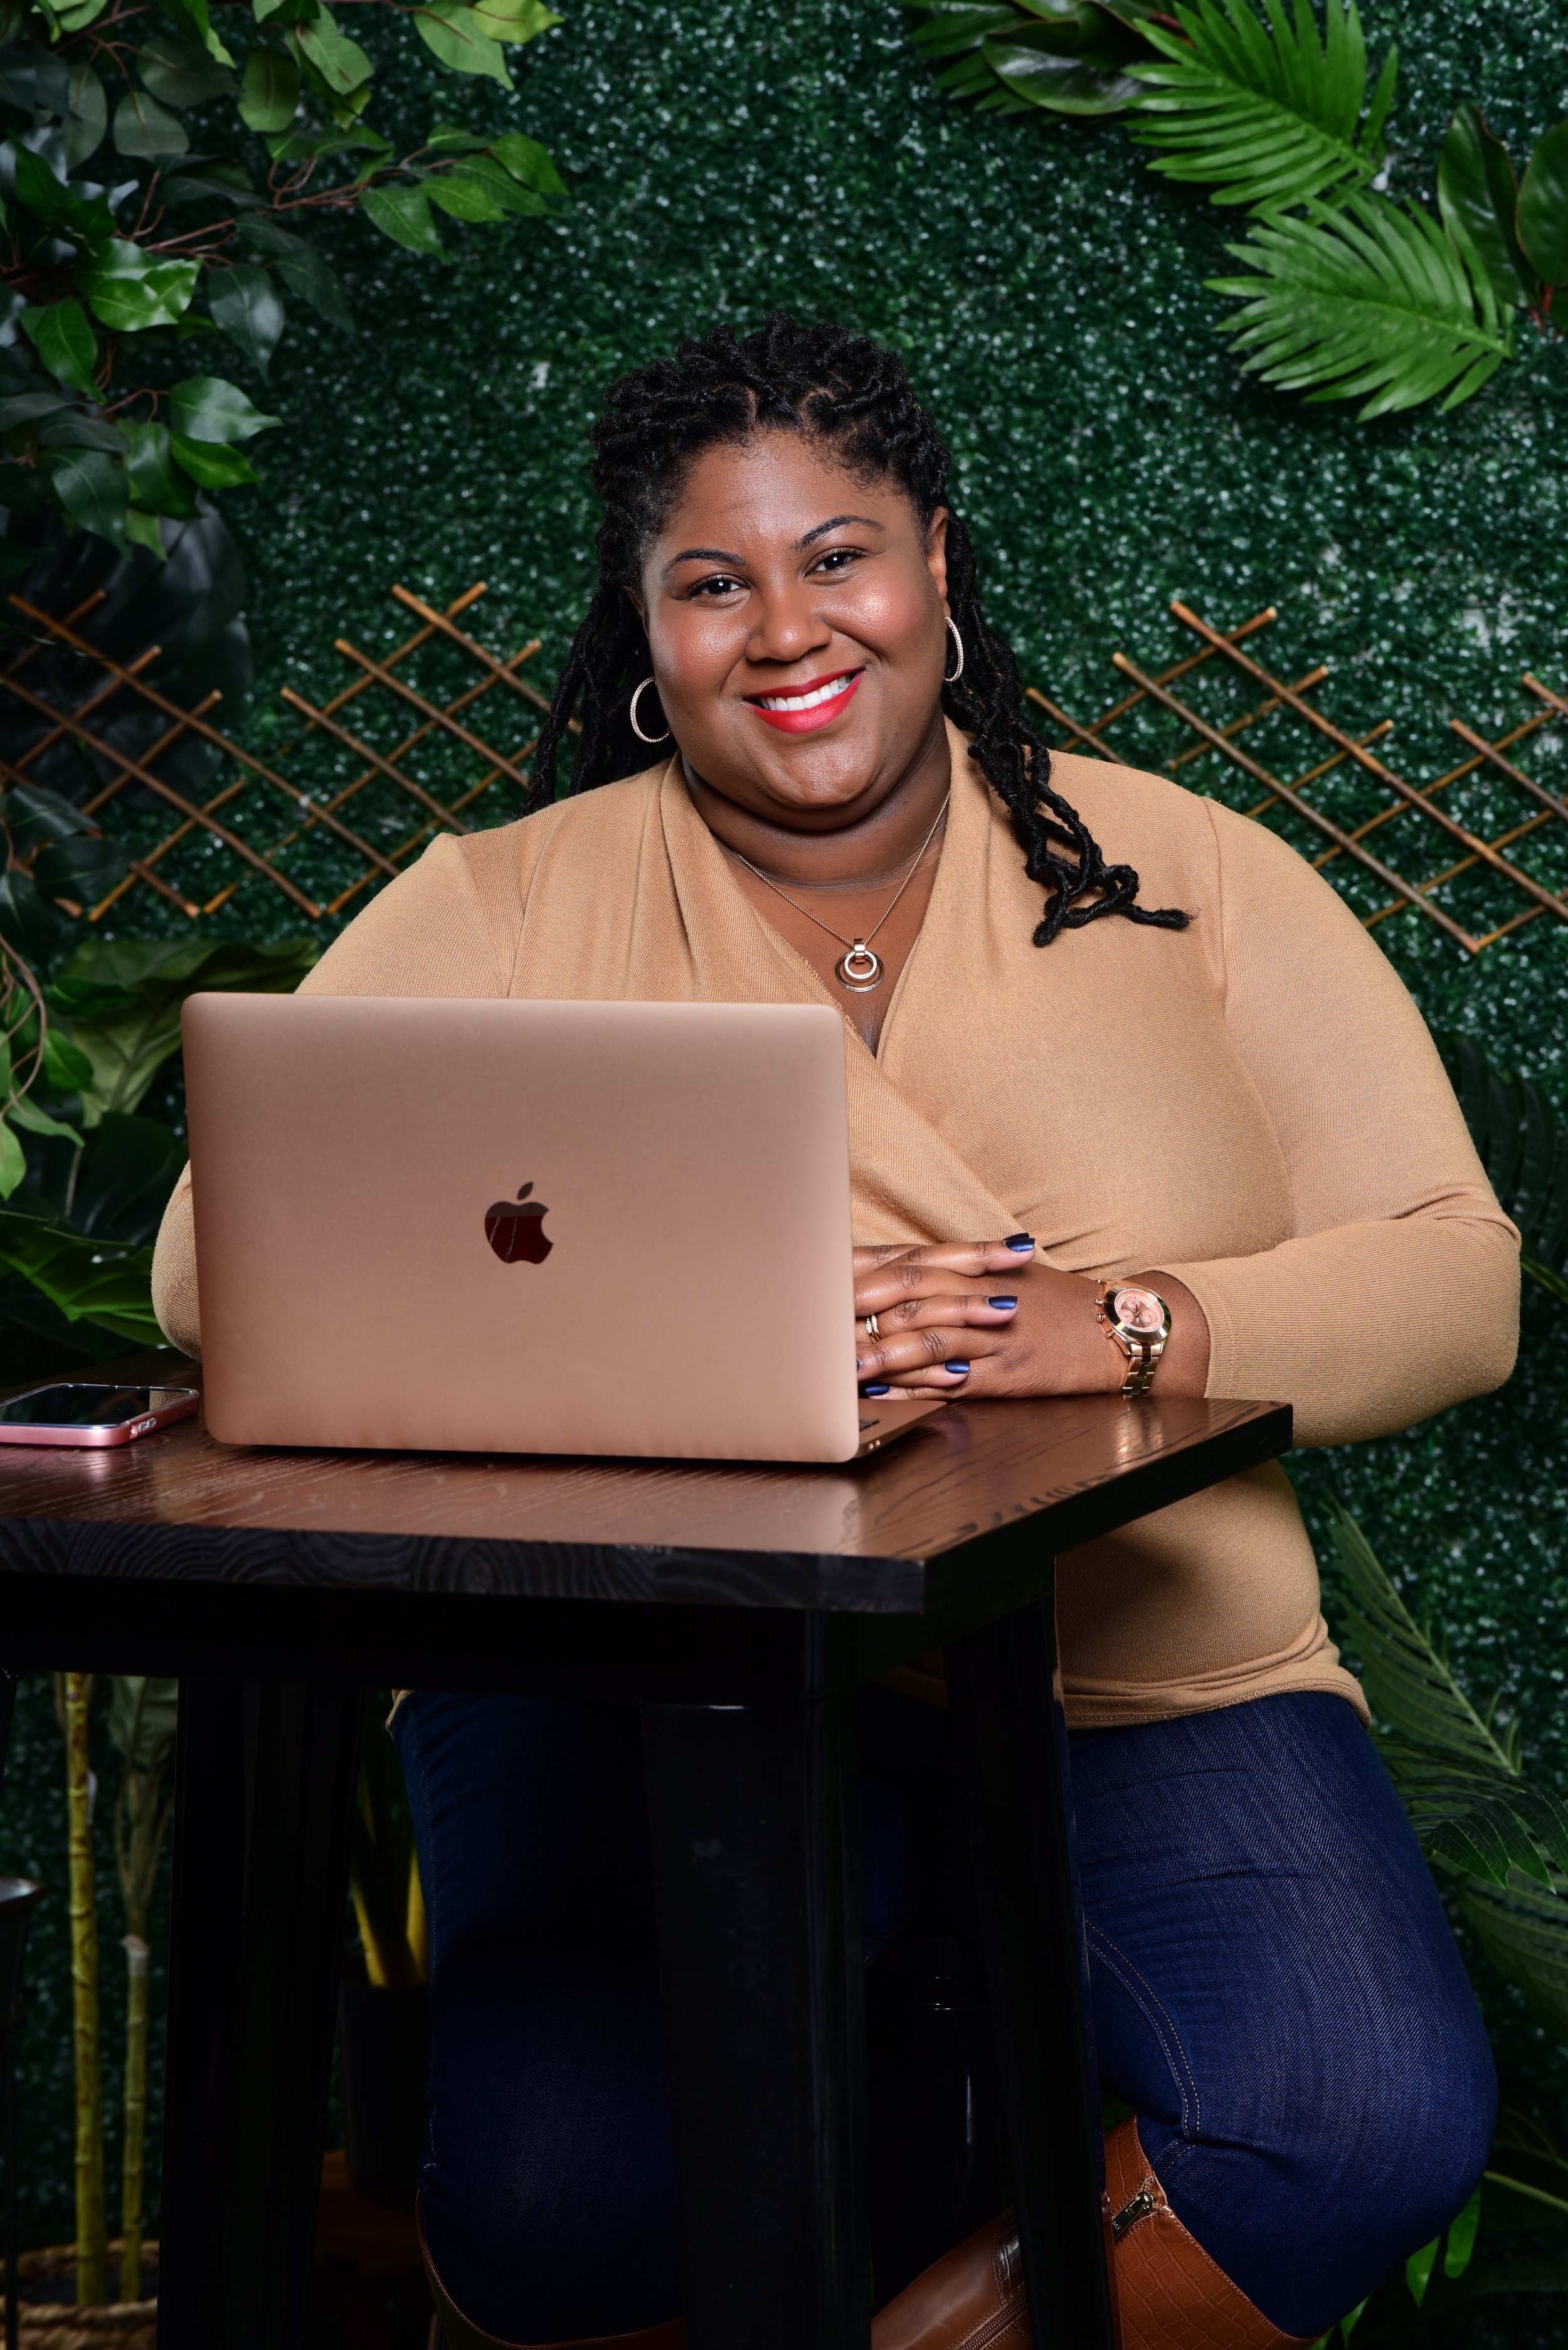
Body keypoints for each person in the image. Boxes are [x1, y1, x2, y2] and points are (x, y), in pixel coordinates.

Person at [152, 314, 1519, 2350]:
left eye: (836, 557)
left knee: (1354, 2117)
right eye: (713, 581)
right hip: (643, 1673)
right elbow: (217, 1263)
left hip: (1134, 1668)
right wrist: (705, 1325)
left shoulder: (1189, 870)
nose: (784, 627)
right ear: (645, 623)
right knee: (564, 2198)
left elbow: (1457, 1273)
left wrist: (1117, 1322)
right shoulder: (511, 901)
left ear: (938, 569)